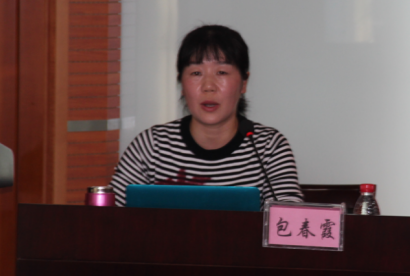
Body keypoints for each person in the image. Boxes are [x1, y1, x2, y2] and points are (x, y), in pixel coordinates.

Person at [111, 24, 303, 205]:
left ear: (244, 83)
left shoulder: (269, 147)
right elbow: (110, 217)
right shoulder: (152, 145)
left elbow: (289, 222)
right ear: (181, 84)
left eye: (222, 72)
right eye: (196, 73)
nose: (208, 86)